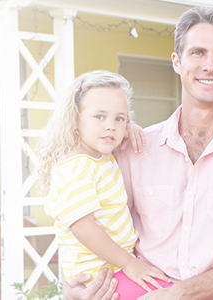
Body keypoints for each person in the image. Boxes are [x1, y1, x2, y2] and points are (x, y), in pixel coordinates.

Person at [65, 6, 213, 300]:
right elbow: (97, 221)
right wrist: (77, 287)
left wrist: (178, 295)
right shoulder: (134, 148)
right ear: (177, 61)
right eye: (197, 52)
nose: (209, 65)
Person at [37, 70, 173, 299]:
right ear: (74, 119)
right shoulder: (77, 167)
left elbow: (112, 128)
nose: (111, 126)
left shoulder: (99, 156)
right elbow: (83, 227)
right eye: (99, 117)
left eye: (119, 118)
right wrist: (130, 265)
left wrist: (129, 127)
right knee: (174, 294)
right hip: (100, 276)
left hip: (113, 266)